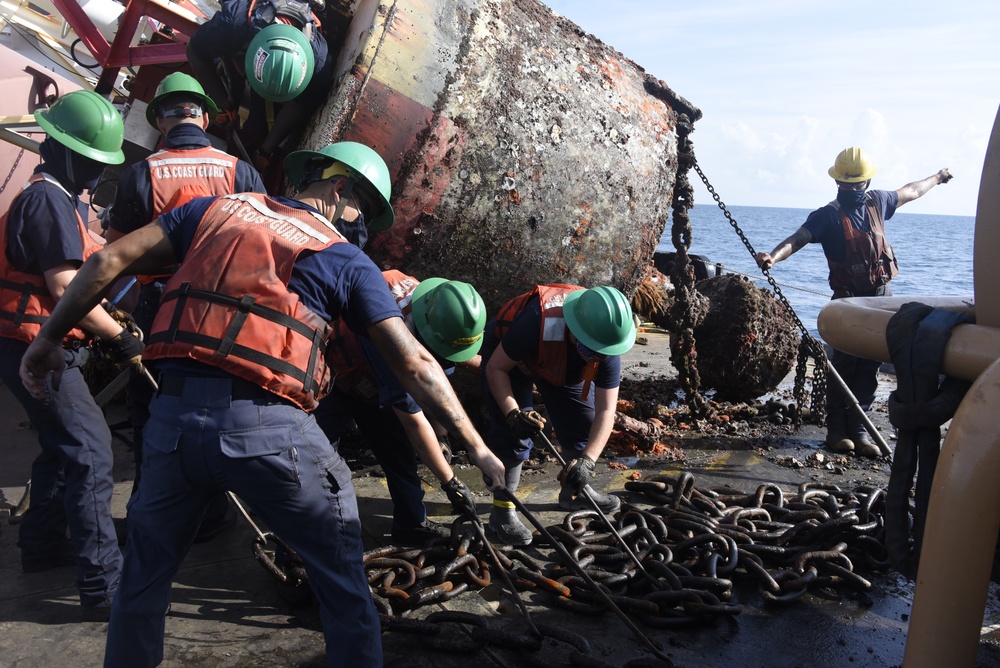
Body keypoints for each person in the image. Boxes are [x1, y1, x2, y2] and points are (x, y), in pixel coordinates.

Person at [19, 141, 504, 668]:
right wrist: (477, 449)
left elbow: (110, 259)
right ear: (338, 190)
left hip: (171, 427)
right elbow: (415, 365)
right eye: (361, 206)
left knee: (142, 581)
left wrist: (47, 339)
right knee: (342, 582)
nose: (359, 220)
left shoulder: (213, 209)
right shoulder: (344, 257)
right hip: (271, 434)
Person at [106, 73, 266, 537]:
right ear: (205, 116)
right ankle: (211, 515)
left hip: (162, 309)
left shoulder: (141, 174)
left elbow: (115, 256)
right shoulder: (239, 171)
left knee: (153, 408)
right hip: (226, 311)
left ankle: (151, 510)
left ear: (160, 120)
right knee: (219, 409)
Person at [0, 90, 138, 620]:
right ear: (59, 150)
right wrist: (117, 335)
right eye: (88, 160)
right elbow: (64, 288)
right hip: (39, 347)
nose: (92, 172)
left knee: (61, 448)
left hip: (29, 340)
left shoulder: (58, 198)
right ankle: (104, 586)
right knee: (91, 452)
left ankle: (42, 548)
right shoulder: (46, 201)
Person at [755, 147, 953, 458]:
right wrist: (773, 257)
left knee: (869, 368)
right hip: (848, 303)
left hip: (881, 299)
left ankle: (859, 429)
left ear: (867, 181)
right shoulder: (827, 216)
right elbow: (799, 238)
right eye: (844, 184)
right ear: (837, 182)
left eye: (855, 184)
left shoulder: (879, 202)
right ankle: (837, 431)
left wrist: (938, 178)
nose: (849, 189)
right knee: (844, 366)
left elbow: (912, 191)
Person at [316, 269, 493, 546]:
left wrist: (442, 436)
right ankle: (310, 543)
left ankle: (411, 525)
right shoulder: (391, 343)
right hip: (331, 378)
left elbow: (434, 394)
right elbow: (414, 420)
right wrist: (450, 483)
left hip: (373, 388)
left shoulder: (431, 304)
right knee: (318, 464)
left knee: (400, 456)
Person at [480, 284, 635, 546]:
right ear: (575, 329)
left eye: (601, 351)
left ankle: (574, 491)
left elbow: (607, 410)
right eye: (592, 347)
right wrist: (513, 413)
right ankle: (502, 513)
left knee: (583, 423)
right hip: (511, 361)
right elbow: (496, 368)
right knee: (515, 436)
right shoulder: (536, 321)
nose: (598, 354)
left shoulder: (606, 343)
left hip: (562, 363)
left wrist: (588, 461)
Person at [186, 0, 334, 186]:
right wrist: (221, 103)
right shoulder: (232, 25)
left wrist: (265, 151)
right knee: (231, 85)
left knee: (258, 126)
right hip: (241, 35)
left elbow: (300, 106)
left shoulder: (318, 64)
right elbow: (194, 51)